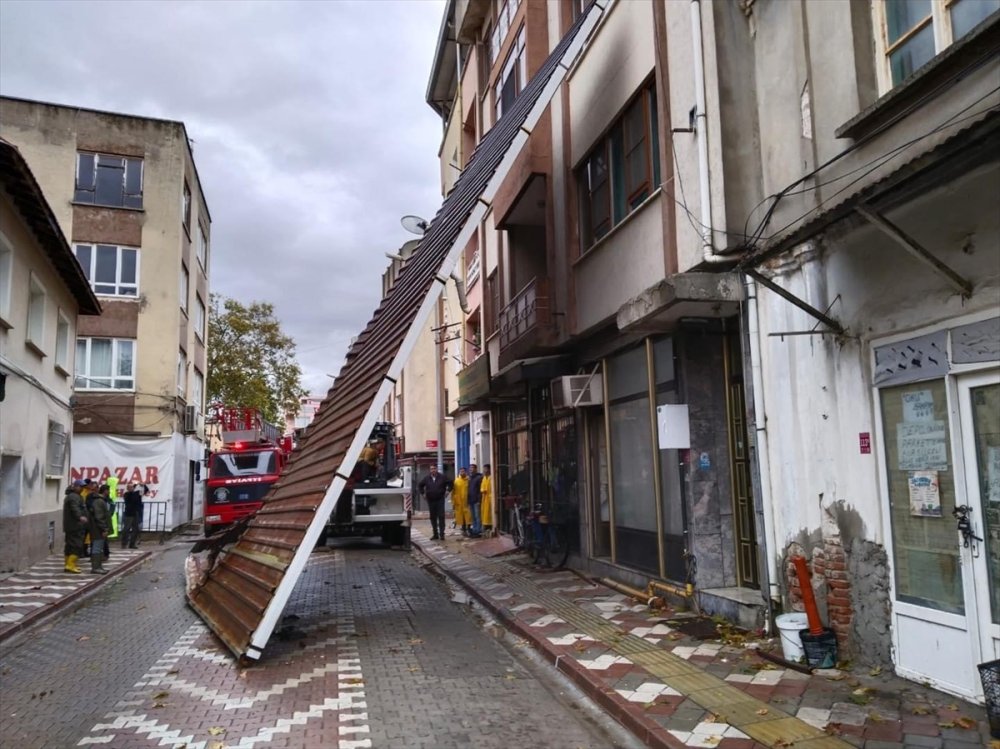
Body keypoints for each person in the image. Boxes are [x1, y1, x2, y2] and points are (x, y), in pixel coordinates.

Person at [417, 464, 450, 540]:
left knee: (441, 516)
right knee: (433, 517)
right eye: (431, 469)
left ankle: (442, 534)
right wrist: (423, 493)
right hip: (431, 500)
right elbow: (420, 485)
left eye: (434, 468)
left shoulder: (442, 477)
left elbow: (450, 483)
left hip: (440, 499)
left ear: (437, 469)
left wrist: (448, 491)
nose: (433, 470)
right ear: (430, 470)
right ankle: (435, 534)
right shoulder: (427, 478)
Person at [62, 480, 88, 573]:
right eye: (80, 487)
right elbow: (75, 508)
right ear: (75, 486)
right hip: (75, 526)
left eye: (83, 487)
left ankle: (68, 564)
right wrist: (80, 517)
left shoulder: (74, 496)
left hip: (72, 525)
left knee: (70, 546)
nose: (82, 489)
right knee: (76, 545)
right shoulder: (73, 497)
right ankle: (70, 565)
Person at [85, 485, 111, 574]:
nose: (109, 492)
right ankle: (96, 567)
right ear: (105, 491)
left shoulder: (100, 501)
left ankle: (98, 566)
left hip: (97, 528)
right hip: (97, 529)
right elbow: (99, 517)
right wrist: (104, 529)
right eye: (108, 490)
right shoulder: (99, 502)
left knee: (99, 548)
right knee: (97, 547)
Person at [121, 482, 143, 549]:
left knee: (135, 529)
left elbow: (143, 492)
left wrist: (141, 486)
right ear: (127, 488)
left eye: (132, 487)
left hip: (135, 513)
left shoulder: (136, 493)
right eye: (130, 487)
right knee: (126, 529)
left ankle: (132, 544)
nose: (131, 488)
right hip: (128, 513)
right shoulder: (126, 494)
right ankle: (124, 543)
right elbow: (132, 500)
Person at [451, 467, 470, 536]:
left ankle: (469, 528)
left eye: (463, 471)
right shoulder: (456, 481)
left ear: (466, 472)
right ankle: (463, 529)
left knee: (468, 516)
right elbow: (453, 492)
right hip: (459, 502)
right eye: (461, 472)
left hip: (466, 501)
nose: (462, 473)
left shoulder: (468, 480)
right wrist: (453, 501)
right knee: (461, 516)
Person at [467, 464, 484, 538]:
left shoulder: (479, 477)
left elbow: (480, 490)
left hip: (476, 500)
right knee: (473, 516)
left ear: (476, 469)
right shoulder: (470, 478)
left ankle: (478, 530)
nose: (471, 469)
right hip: (471, 500)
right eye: (470, 468)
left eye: (472, 468)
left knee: (477, 516)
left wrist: (479, 500)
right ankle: (474, 530)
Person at [480, 464, 493, 535]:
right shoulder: (484, 478)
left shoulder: (492, 477)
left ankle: (490, 527)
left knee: (490, 513)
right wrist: (482, 490)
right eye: (484, 469)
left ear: (489, 469)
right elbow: (482, 487)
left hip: (490, 498)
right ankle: (486, 527)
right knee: (485, 513)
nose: (484, 470)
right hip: (485, 498)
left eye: (485, 469)